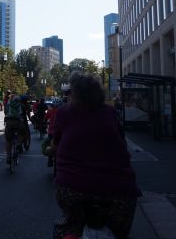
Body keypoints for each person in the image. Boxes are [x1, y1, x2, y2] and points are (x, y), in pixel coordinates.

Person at [52, 73, 141, 239]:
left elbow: (55, 141)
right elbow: (122, 143)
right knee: (119, 232)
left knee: (68, 226)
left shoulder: (64, 113)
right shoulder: (110, 113)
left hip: (72, 186)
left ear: (75, 93)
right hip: (118, 189)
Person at [4, 95, 27, 163]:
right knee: (23, 133)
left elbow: (5, 111)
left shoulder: (8, 104)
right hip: (18, 123)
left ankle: (8, 157)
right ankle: (18, 144)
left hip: (9, 122)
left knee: (8, 141)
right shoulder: (21, 105)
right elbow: (22, 114)